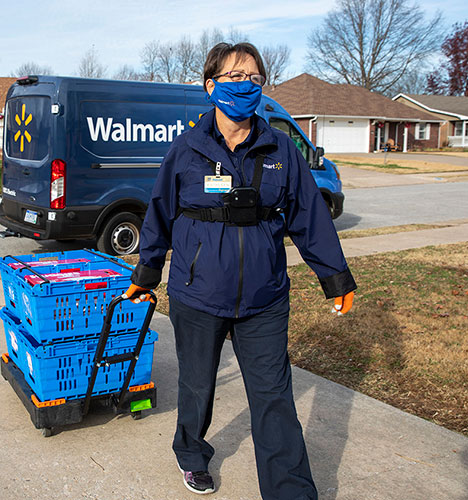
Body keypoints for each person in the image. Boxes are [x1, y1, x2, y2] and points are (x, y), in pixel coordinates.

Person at [124, 42, 356, 499]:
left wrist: (335, 278)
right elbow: (160, 213)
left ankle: (290, 491)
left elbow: (309, 217)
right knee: (196, 387)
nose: (245, 86)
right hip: (198, 295)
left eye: (254, 78)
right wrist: (145, 273)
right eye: (234, 77)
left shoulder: (281, 150)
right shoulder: (186, 150)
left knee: (274, 399)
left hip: (264, 299)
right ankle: (191, 454)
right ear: (211, 86)